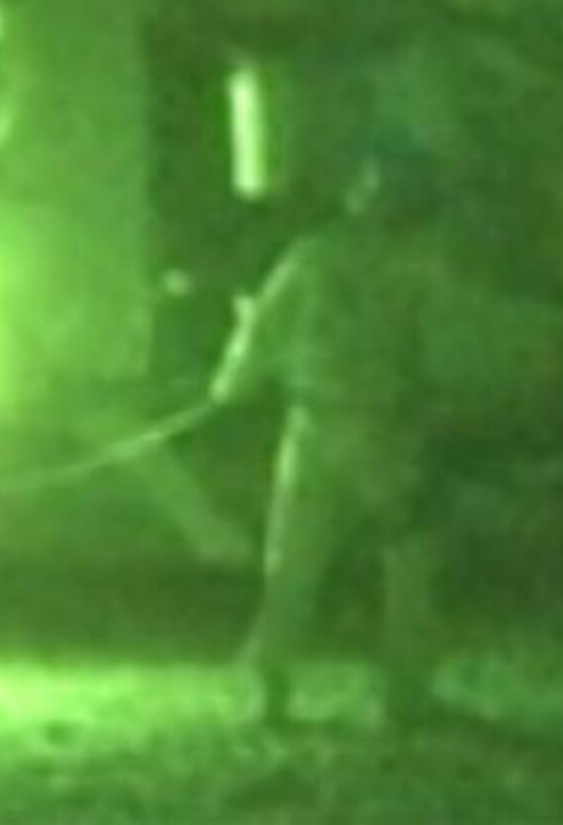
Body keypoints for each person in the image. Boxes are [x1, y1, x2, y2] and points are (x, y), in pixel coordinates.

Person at [208, 145, 472, 729]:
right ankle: (405, 695)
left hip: (311, 426)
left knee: (294, 562)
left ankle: (270, 691)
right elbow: (443, 350)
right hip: (384, 430)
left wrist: (229, 388)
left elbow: (262, 331)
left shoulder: (311, 257)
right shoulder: (420, 265)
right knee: (408, 559)